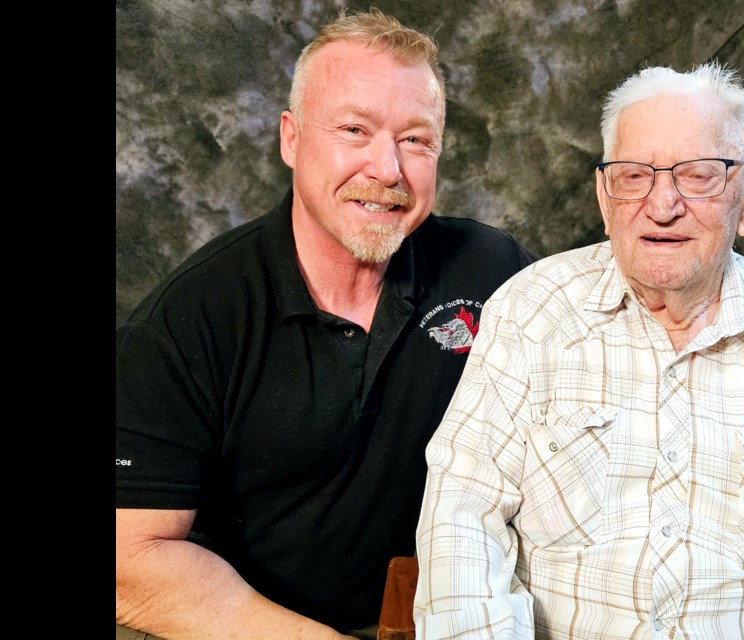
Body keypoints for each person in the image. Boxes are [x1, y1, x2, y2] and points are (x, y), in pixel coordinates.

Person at [115, 9, 538, 640]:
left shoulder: (492, 269)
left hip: (451, 620)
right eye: (353, 129)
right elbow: (132, 563)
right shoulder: (190, 321)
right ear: (290, 139)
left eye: (416, 140)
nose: (388, 169)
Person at [413, 61, 744, 640]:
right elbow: (461, 521)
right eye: (634, 175)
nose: (662, 205)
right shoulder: (531, 313)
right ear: (604, 195)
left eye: (698, 175)